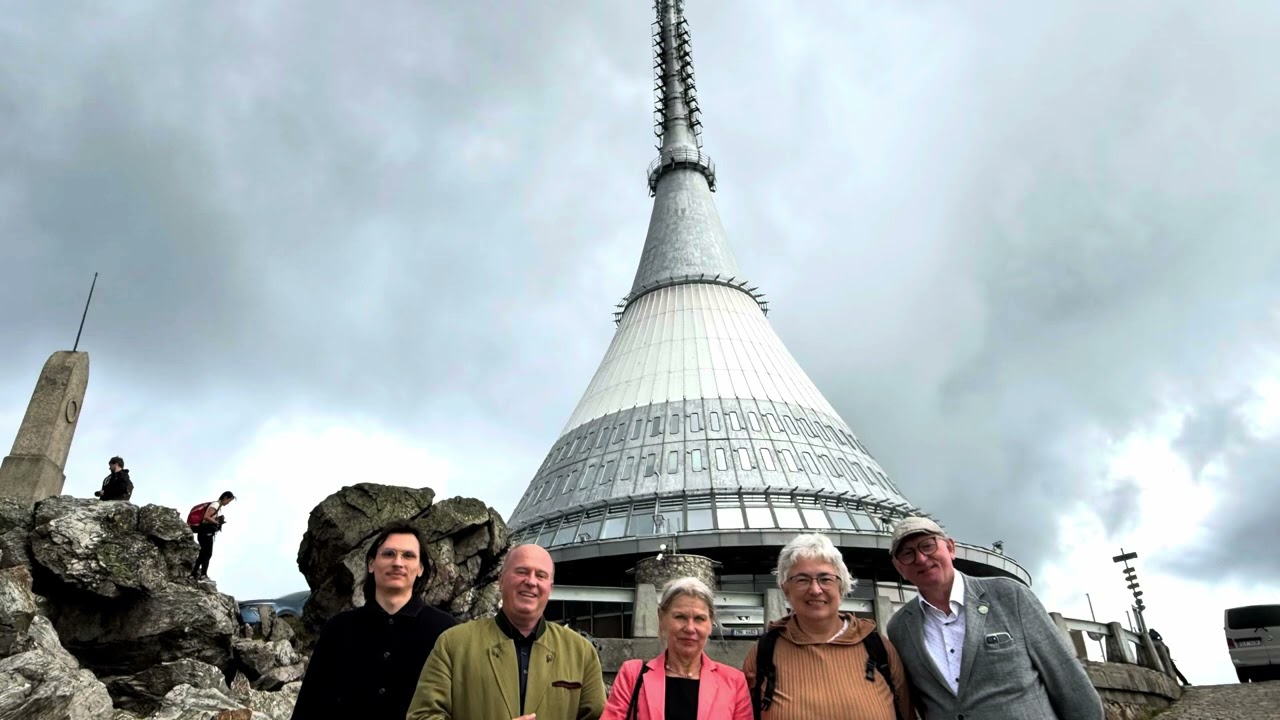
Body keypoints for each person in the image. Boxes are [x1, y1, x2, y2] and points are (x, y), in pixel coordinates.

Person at [885, 517, 1104, 720]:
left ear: (950, 548)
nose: (921, 558)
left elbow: (1068, 681)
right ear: (899, 568)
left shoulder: (1009, 595)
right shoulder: (900, 628)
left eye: (928, 545)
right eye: (907, 553)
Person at [407, 543, 605, 720]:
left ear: (550, 588)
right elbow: (423, 715)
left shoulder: (581, 652)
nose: (531, 581)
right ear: (501, 580)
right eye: (522, 571)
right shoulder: (453, 644)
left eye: (541, 575)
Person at [291, 521, 457, 720]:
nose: (398, 563)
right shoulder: (337, 629)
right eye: (388, 554)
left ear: (420, 568)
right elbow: (309, 706)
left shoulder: (446, 631)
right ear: (371, 564)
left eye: (408, 555)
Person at [743, 533, 914, 720]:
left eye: (825, 579)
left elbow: (906, 712)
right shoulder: (764, 652)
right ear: (786, 589)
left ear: (841, 586)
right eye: (802, 579)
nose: (815, 590)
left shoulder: (879, 649)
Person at [603, 577, 752, 720]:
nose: (690, 628)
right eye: (680, 617)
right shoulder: (633, 675)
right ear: (662, 618)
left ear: (710, 624)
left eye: (699, 619)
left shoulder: (733, 682)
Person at [190, 491, 235, 580]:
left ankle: (193, 574)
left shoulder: (217, 506)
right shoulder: (215, 505)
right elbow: (206, 517)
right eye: (229, 501)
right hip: (206, 532)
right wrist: (217, 522)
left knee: (203, 553)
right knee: (207, 553)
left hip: (204, 532)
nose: (228, 503)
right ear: (225, 498)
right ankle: (203, 575)